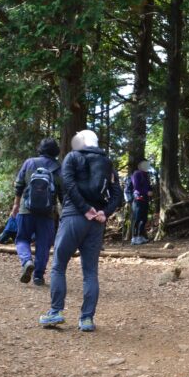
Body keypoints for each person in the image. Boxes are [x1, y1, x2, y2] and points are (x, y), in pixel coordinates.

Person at [39, 129, 122, 332]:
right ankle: (86, 319)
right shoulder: (107, 162)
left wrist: (85, 209)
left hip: (73, 216)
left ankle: (56, 311)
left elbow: (68, 184)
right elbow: (117, 193)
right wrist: (104, 212)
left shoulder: (72, 157)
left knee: (59, 265)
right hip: (96, 223)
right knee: (90, 272)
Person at [10, 138, 62, 286]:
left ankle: (26, 261)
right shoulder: (58, 167)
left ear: (40, 149)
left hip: (26, 210)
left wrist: (16, 204)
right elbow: (62, 191)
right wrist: (63, 212)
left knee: (22, 239)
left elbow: (19, 184)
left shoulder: (29, 162)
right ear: (55, 151)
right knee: (43, 244)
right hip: (47, 213)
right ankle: (38, 276)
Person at [129, 159, 152, 245]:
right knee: (137, 218)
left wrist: (150, 191)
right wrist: (146, 192)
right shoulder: (137, 174)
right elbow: (136, 187)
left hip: (145, 199)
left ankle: (140, 236)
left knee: (144, 218)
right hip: (138, 199)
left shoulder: (146, 175)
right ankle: (134, 237)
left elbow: (148, 186)